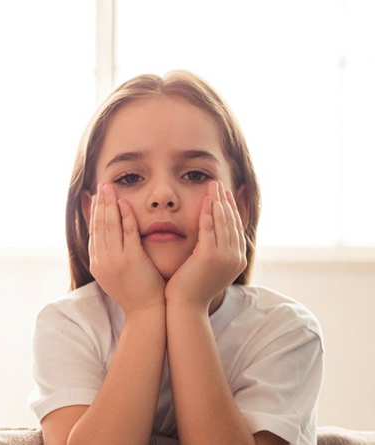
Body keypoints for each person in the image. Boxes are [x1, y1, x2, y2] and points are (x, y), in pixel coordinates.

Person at [30, 71, 323, 444]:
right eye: (130, 178)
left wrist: (187, 306)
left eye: (195, 174)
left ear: (242, 206)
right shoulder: (67, 325)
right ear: (91, 211)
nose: (163, 195)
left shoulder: (286, 331)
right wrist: (145, 312)